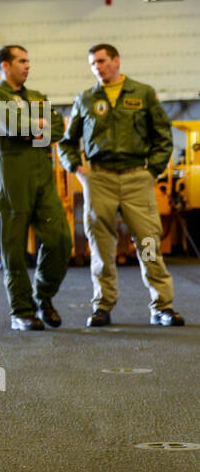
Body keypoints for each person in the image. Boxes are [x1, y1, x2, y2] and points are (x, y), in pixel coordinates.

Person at [58, 43, 184, 327]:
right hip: (99, 178)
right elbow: (67, 142)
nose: (97, 67)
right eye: (93, 63)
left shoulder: (143, 94)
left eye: (102, 61)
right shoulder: (86, 99)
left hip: (136, 177)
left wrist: (152, 170)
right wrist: (77, 169)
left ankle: (162, 306)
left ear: (116, 61)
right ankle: (102, 306)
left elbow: (163, 135)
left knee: (149, 240)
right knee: (100, 245)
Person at [0, 45, 71, 331]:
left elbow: (58, 129)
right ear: (5, 66)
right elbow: (11, 125)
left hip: (42, 174)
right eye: (21, 61)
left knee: (60, 240)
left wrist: (35, 126)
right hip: (13, 174)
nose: (27, 66)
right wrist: (37, 125)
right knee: (15, 249)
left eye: (29, 61)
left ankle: (43, 297)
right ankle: (21, 310)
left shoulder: (38, 97)